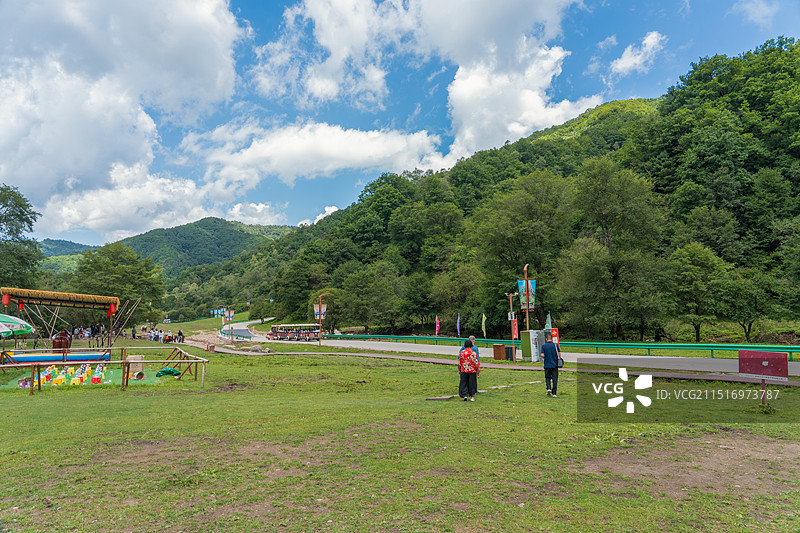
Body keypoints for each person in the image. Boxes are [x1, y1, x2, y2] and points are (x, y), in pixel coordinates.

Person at [541, 331, 561, 397]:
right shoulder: (556, 345)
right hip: (555, 364)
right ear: (552, 339)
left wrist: (546, 356)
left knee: (547, 377)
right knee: (555, 379)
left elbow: (542, 355)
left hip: (547, 364)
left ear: (546, 339)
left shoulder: (543, 346)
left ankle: (548, 388)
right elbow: (559, 355)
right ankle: (554, 393)